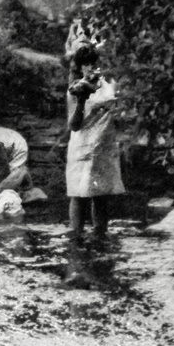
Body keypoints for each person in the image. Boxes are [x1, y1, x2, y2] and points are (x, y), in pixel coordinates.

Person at [64, 40, 125, 243]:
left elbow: (119, 112)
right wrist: (82, 100)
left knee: (101, 195)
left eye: (94, 62)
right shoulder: (75, 90)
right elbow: (73, 125)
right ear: (80, 67)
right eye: (87, 63)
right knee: (79, 193)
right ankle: (76, 236)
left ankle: (100, 236)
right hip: (82, 146)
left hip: (104, 145)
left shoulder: (110, 86)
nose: (92, 67)